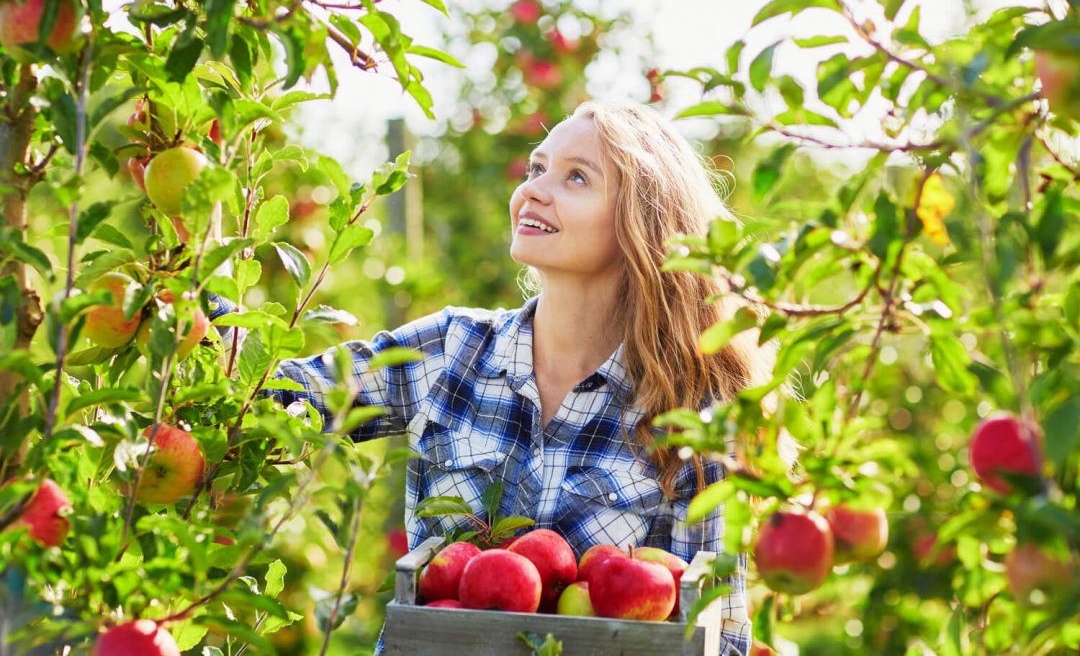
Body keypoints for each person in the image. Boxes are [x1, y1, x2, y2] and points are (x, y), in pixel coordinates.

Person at [250, 100, 775, 655]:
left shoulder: (691, 416)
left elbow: (719, 637)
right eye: (535, 168)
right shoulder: (451, 351)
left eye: (576, 176)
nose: (534, 190)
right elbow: (281, 399)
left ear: (641, 223)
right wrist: (188, 306)